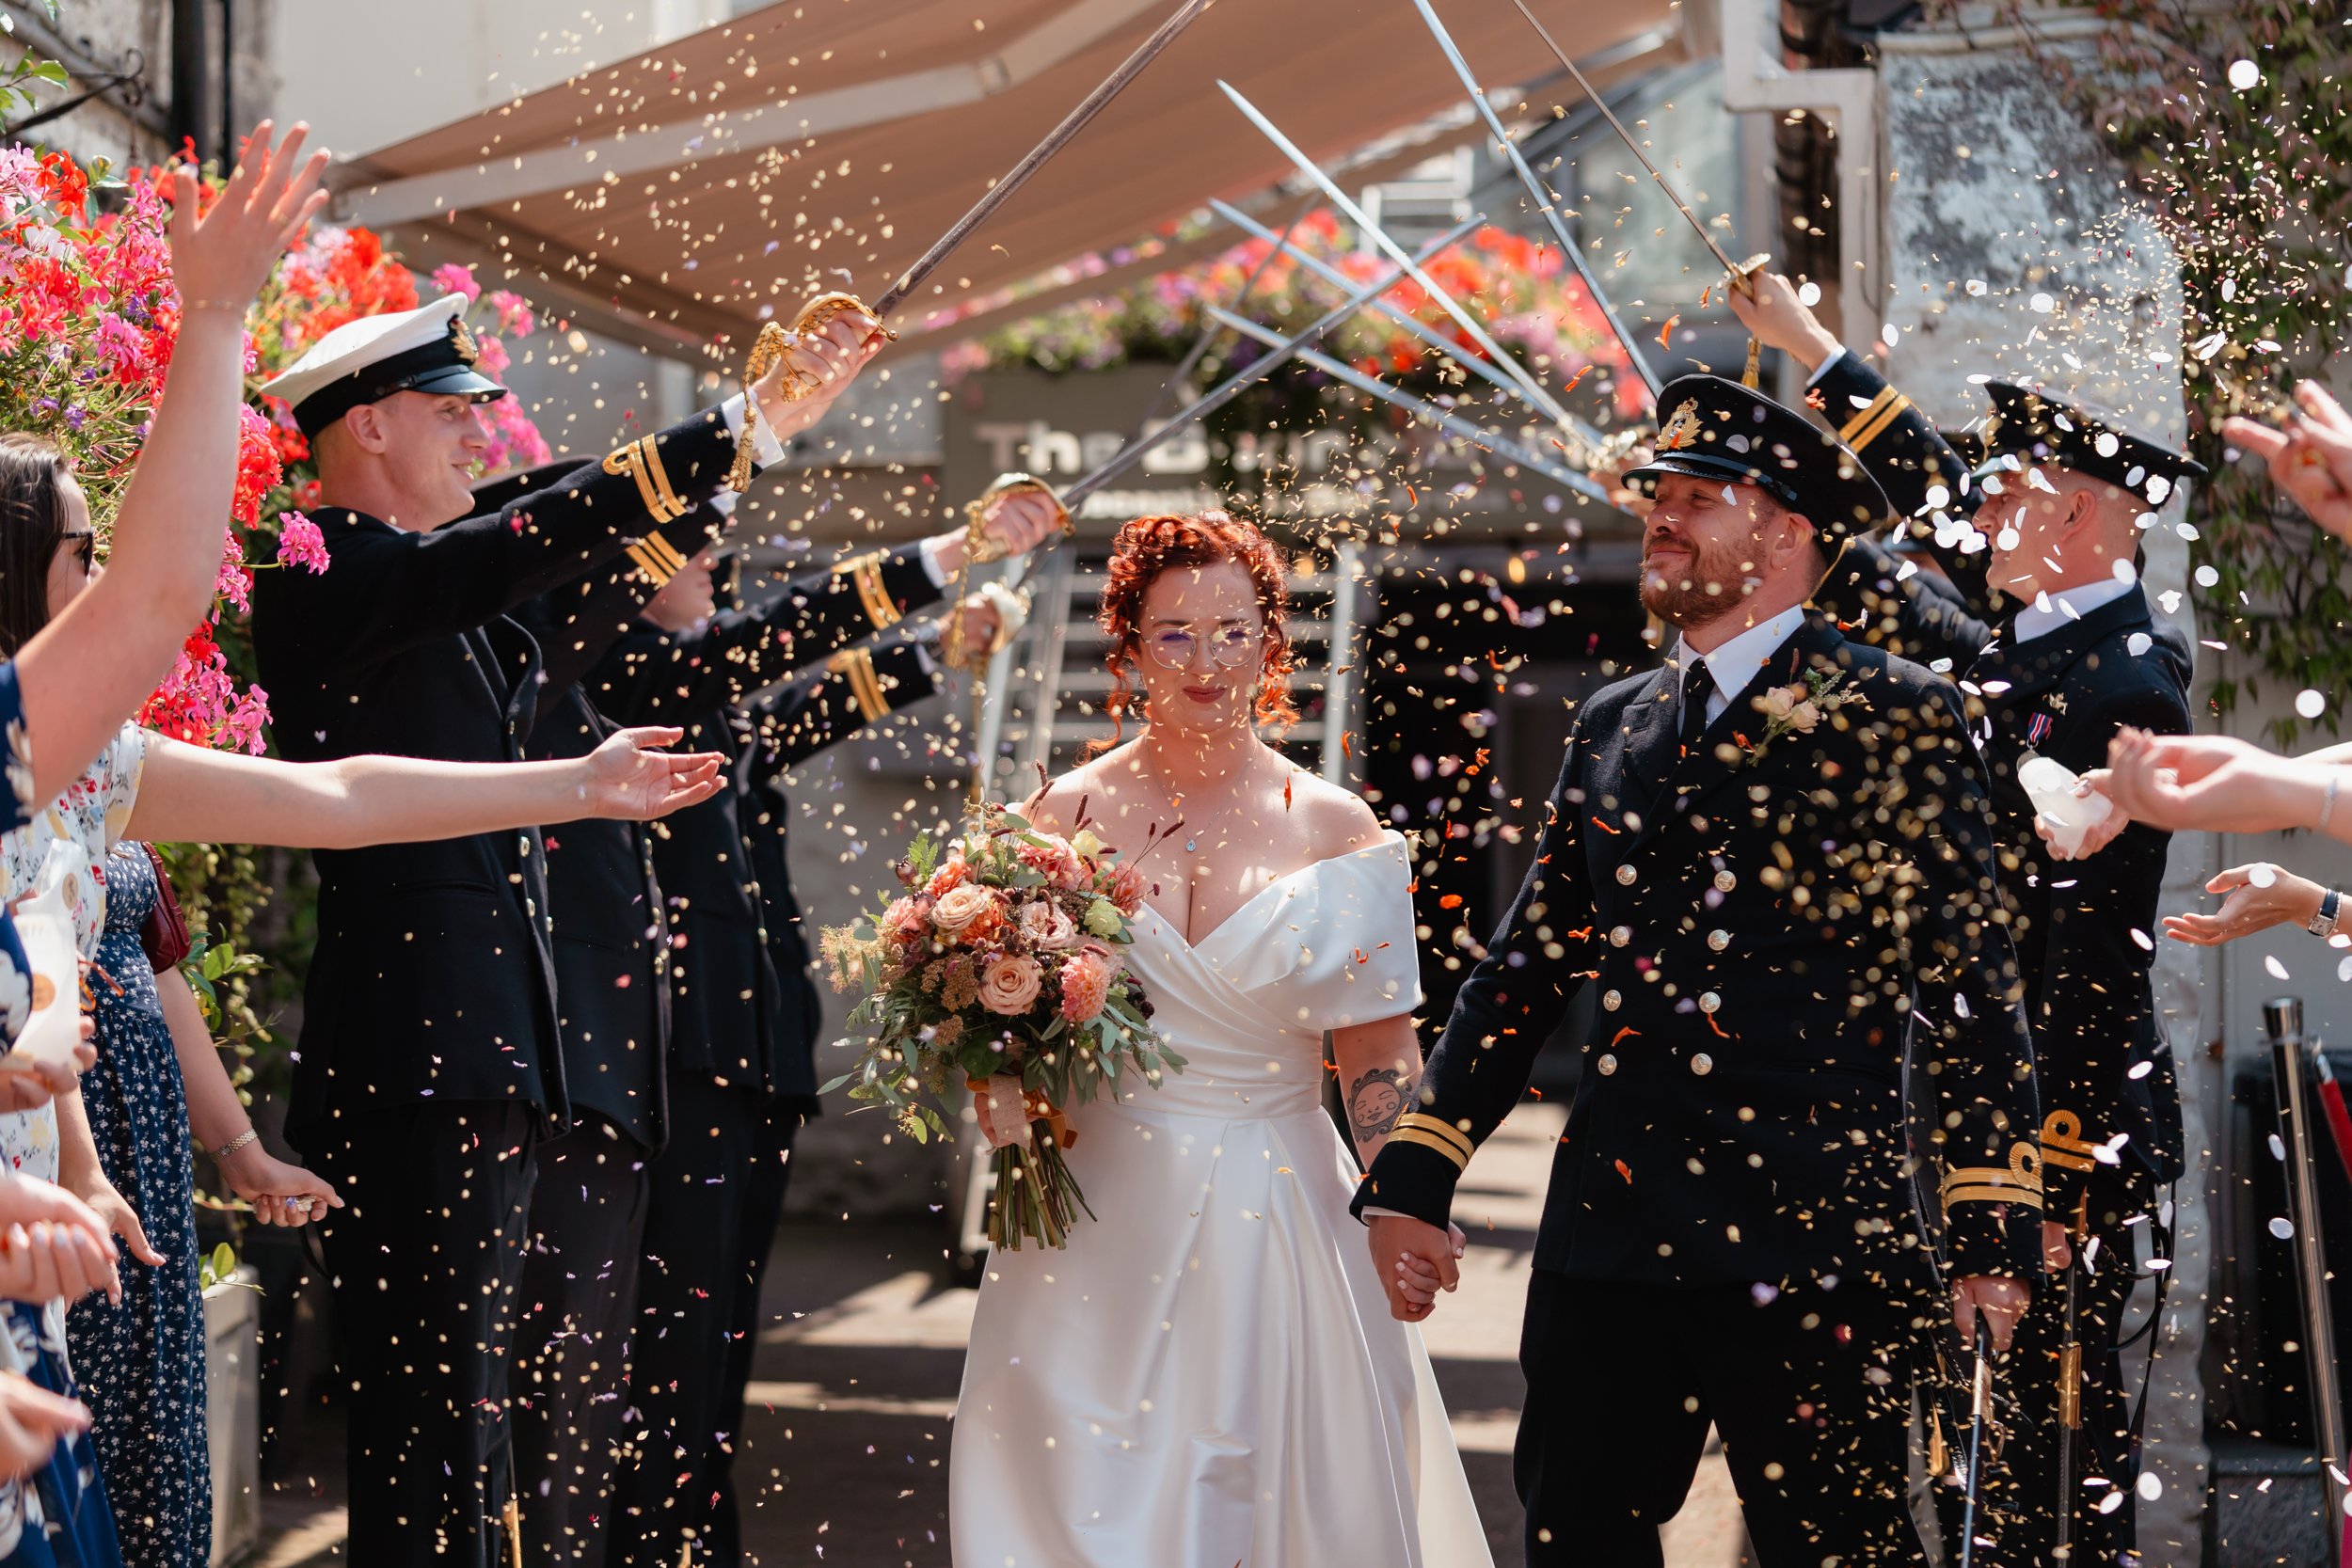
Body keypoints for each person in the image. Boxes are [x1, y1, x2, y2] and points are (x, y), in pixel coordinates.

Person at [1359, 375, 2041, 1567]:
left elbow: (1973, 981)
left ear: (1785, 532)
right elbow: (1525, 965)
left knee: (1837, 1547)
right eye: (1655, 497)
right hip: (1612, 1229)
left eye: (1696, 498)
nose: (1660, 519)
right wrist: (1419, 1167)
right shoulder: (1614, 720)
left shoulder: (1898, 713)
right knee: (1577, 1534)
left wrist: (1990, 1225)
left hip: (1816, 1234)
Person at [247, 287, 881, 1566]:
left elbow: (548, 529)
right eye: (453, 413)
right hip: (424, 1060)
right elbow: (517, 537)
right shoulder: (332, 573)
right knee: (436, 1438)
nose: (483, 435)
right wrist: (738, 419)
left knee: (514, 1432)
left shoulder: (445, 590)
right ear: (365, 428)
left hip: (506, 1059)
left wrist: (757, 433)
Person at [493, 468, 1055, 1564]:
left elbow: (791, 708)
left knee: (715, 1328)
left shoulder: (697, 678)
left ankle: (692, 1530)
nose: (715, 563)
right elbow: (746, 657)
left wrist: (938, 647)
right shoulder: (609, 668)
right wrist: (934, 563)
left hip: (745, 1049)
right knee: (663, 1331)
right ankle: (654, 1541)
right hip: (671, 1056)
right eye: (691, 549)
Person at [1728, 272, 2205, 1560]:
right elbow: (1926, 485)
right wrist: (1815, 347)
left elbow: (2100, 951)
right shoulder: (2035, 621)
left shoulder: (2125, 680)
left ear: (2077, 510)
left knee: (2051, 1461)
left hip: (2062, 1132)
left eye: (2006, 492)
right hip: (1971, 1108)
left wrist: (2054, 1164)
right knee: (1963, 1434)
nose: (1975, 510)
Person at [946, 511, 1490, 1567]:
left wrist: (1406, 1198)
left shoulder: (1336, 825)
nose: (1208, 660)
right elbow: (997, 1018)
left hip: (1277, 1206)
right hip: (1091, 1211)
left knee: (1264, 1488)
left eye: (1233, 630)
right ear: (1131, 645)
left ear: (1271, 642)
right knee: (1076, 1489)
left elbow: (1375, 1055)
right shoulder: (1059, 815)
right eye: (1176, 634)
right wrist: (993, 1075)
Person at [66, 841, 340, 1568]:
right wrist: (78, 1164)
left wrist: (246, 1157)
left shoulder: (108, 775)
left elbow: (158, 969)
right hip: (56, 1135)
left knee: (151, 1414)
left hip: (143, 1159)